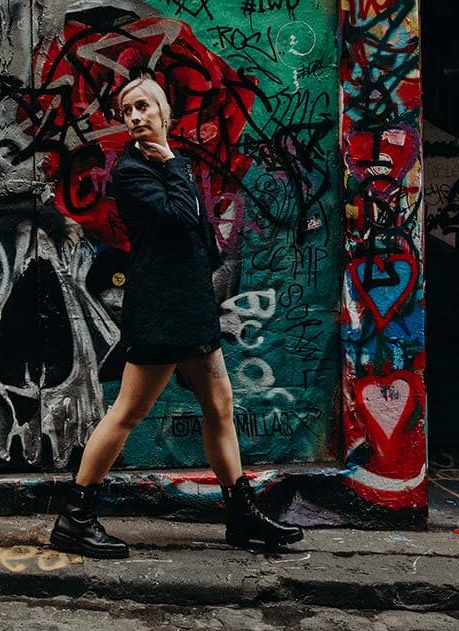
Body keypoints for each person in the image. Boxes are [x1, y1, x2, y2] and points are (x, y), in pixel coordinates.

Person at [48, 76, 303, 559]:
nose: (135, 116)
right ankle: (74, 519)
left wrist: (175, 166)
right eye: (127, 111)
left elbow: (201, 238)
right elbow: (183, 217)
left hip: (191, 309)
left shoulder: (170, 165)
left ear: (165, 113)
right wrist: (173, 163)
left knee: (220, 407)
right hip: (162, 311)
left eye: (143, 106)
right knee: (128, 412)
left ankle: (241, 514)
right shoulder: (131, 171)